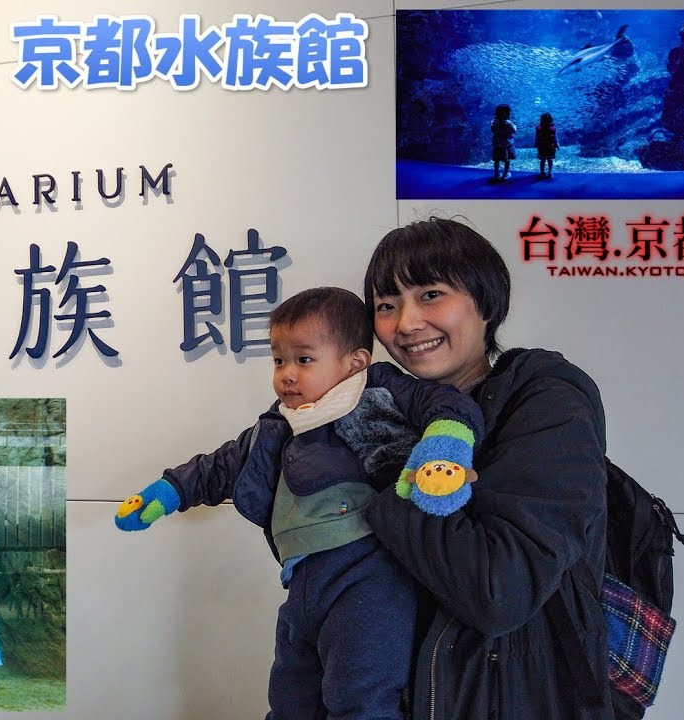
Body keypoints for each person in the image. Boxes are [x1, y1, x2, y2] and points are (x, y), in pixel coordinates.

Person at [115, 287, 486, 720]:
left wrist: (444, 450)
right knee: (291, 695)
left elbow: (446, 406)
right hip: (302, 581)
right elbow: (221, 466)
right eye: (278, 360)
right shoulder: (278, 423)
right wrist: (167, 492)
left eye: (304, 359)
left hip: (369, 576)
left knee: (362, 696)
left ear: (355, 363)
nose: (286, 374)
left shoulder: (377, 392)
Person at [357, 217, 611, 719]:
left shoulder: (545, 398)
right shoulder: (377, 411)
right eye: (387, 305)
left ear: (486, 302)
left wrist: (377, 497)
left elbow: (499, 591)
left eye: (430, 294)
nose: (406, 323)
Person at [491, 104, 517, 182]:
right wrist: (515, 125)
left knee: (497, 160)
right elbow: (514, 130)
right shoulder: (508, 123)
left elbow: (493, 130)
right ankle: (505, 174)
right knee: (507, 159)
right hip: (506, 144)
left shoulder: (493, 122)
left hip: (496, 144)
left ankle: (496, 174)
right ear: (506, 113)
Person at [536, 113, 560, 179]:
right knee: (550, 160)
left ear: (541, 120)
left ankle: (542, 172)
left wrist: (536, 144)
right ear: (551, 120)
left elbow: (537, 137)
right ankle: (550, 172)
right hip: (550, 147)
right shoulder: (553, 128)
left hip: (542, 147)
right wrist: (557, 145)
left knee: (542, 160)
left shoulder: (538, 128)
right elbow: (555, 138)